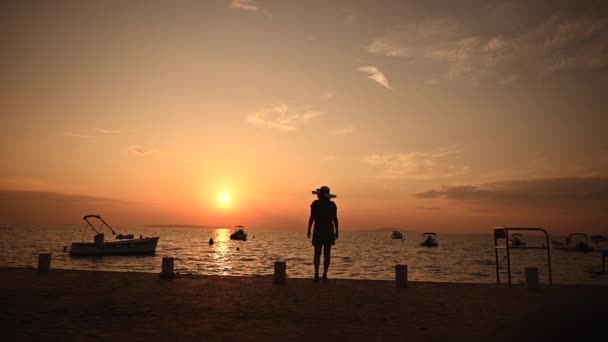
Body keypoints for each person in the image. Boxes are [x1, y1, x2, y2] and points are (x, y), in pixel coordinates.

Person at [307, 185, 339, 282]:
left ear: (321, 194)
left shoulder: (315, 204)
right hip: (329, 229)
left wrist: (309, 229)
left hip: (318, 229)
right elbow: (335, 219)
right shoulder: (332, 205)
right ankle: (324, 274)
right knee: (327, 254)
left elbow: (312, 217)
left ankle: (316, 274)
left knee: (317, 253)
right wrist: (337, 230)